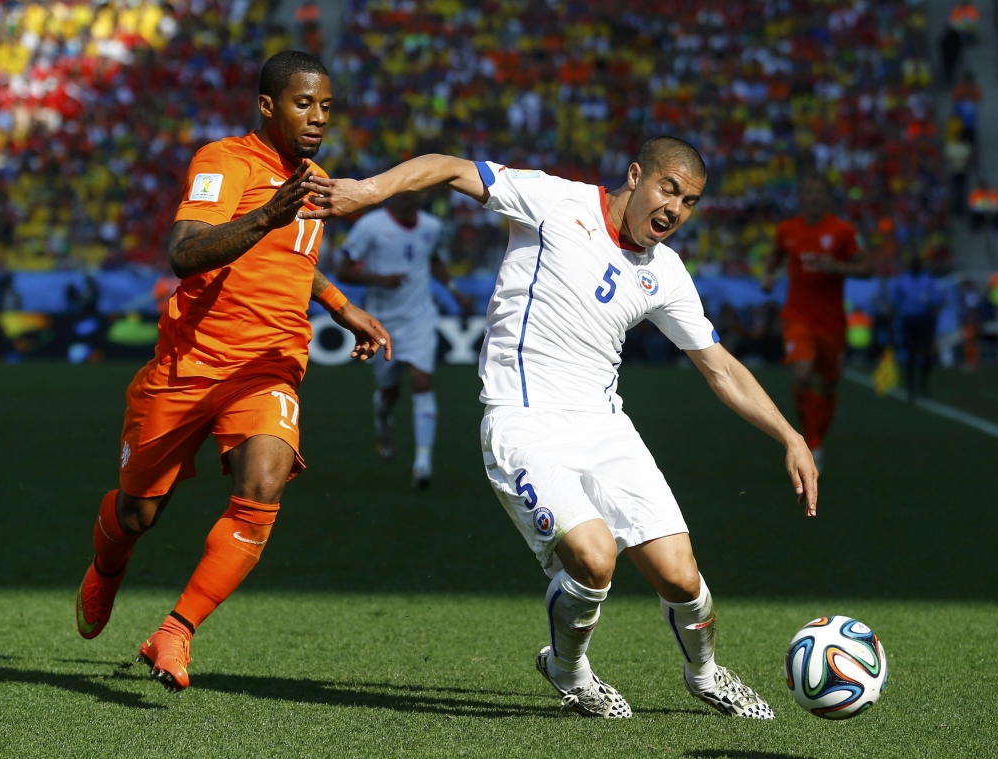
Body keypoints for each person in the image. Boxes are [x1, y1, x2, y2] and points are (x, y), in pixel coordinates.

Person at [301, 137, 818, 719]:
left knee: (681, 577)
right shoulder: (553, 201)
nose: (676, 209)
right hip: (524, 423)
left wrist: (791, 437)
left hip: (605, 427)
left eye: (691, 201)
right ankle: (569, 669)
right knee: (595, 559)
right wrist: (368, 191)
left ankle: (705, 673)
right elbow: (447, 168)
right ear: (635, 174)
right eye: (668, 189)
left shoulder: (666, 273)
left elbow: (720, 368)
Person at [74, 51, 392, 692]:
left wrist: (341, 305)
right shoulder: (224, 162)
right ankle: (108, 566)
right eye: (304, 103)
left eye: (326, 105)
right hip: (190, 365)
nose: (318, 118)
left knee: (266, 485)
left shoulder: (317, 180)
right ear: (268, 105)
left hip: (269, 365)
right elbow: (185, 251)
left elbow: (292, 259)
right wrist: (268, 213)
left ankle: (176, 630)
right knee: (138, 514)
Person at [335, 192, 471, 487]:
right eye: (400, 195)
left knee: (422, 381)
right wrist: (378, 279)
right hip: (381, 321)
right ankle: (383, 421)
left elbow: (433, 260)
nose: (405, 199)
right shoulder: (370, 225)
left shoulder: (431, 227)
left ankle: (422, 464)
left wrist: (454, 289)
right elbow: (342, 271)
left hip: (420, 317)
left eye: (412, 194)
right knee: (390, 392)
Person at [763, 173, 870, 469]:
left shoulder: (843, 231)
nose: (813, 197)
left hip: (832, 321)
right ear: (801, 198)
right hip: (798, 316)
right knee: (801, 374)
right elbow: (775, 255)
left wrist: (837, 266)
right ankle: (811, 442)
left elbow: (867, 266)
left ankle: (816, 438)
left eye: (818, 192)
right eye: (807, 192)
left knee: (829, 385)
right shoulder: (787, 229)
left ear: (827, 198)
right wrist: (769, 273)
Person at [890, 259, 942, 399]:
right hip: (909, 320)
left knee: (926, 354)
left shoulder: (928, 280)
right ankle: (911, 387)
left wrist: (933, 316)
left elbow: (937, 299)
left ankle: (923, 384)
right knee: (911, 354)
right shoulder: (903, 280)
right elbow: (895, 300)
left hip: (924, 320)